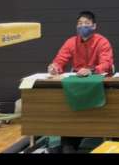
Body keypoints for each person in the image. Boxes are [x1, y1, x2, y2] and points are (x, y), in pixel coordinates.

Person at [48, 11, 114, 154]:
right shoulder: (71, 41)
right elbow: (60, 60)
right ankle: (68, 144)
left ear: (94, 26)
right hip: (77, 83)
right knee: (69, 112)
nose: (83, 26)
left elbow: (106, 64)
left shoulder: (102, 41)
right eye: (80, 23)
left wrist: (91, 70)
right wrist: (55, 67)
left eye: (86, 23)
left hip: (98, 83)